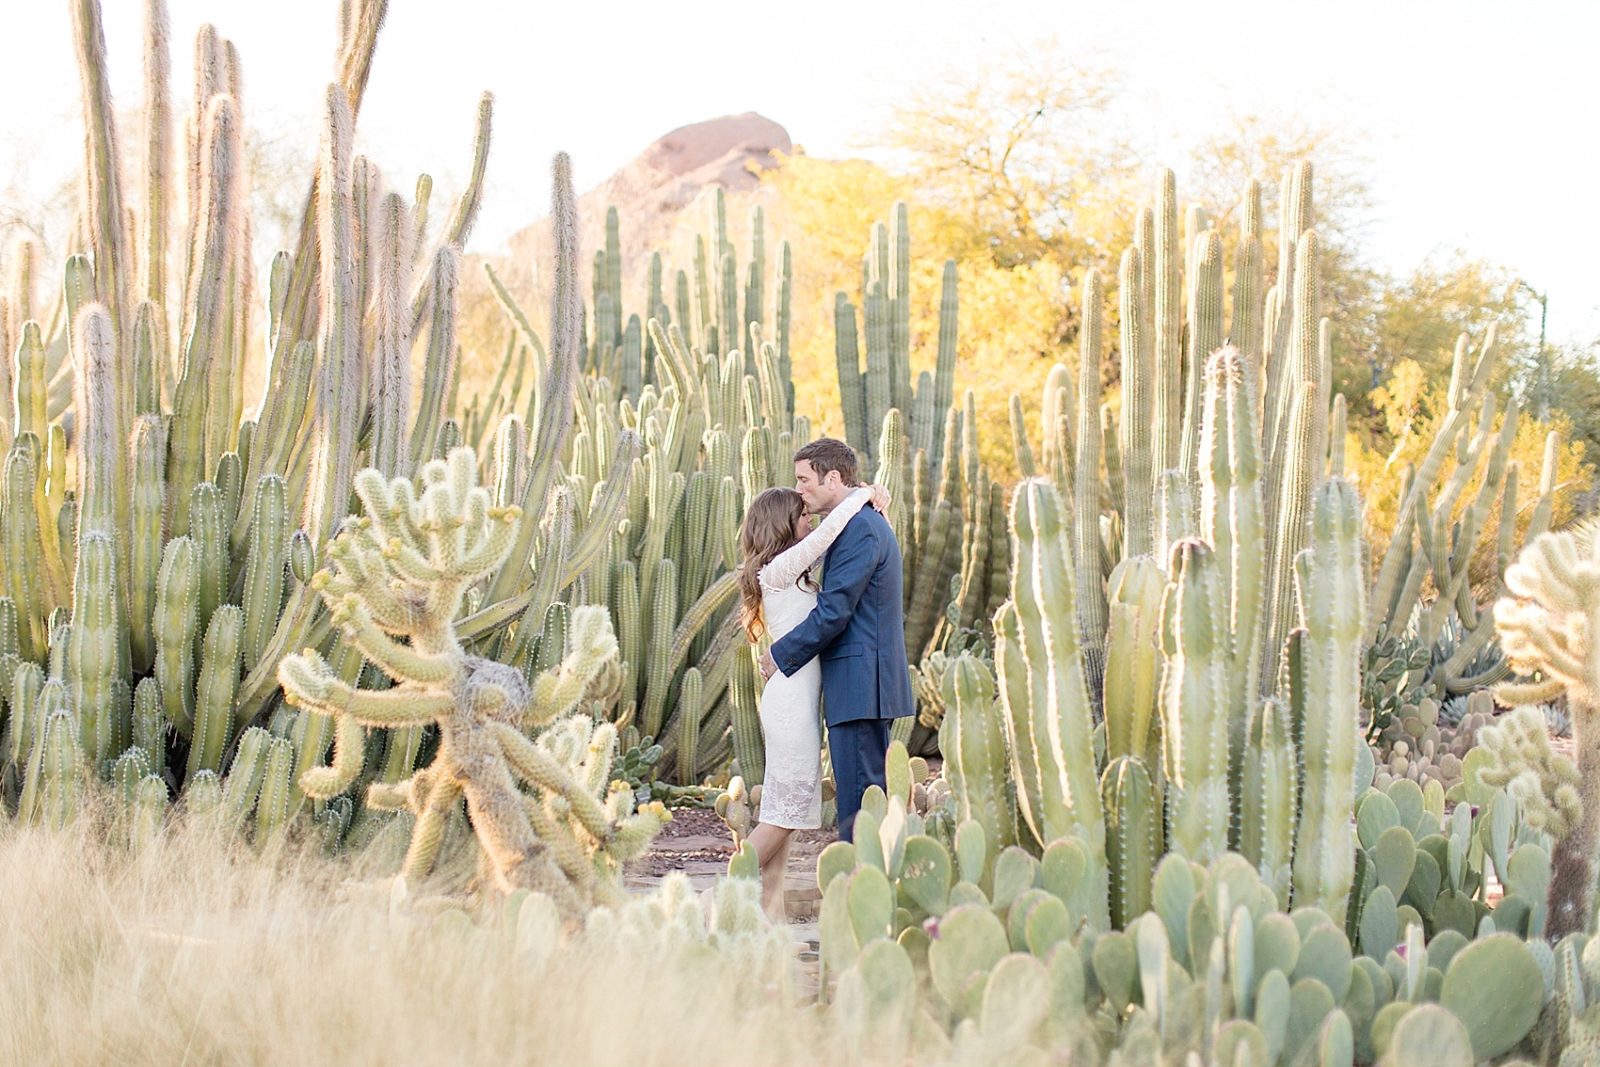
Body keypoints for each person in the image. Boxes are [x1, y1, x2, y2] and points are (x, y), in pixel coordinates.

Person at [736, 475, 889, 920]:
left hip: (795, 701)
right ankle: (726, 892)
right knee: (783, 815)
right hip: (788, 705)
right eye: (802, 514)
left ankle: (770, 913)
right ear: (782, 525)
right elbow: (828, 534)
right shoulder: (778, 570)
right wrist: (862, 493)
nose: (810, 517)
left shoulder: (793, 575)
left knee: (785, 810)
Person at [759, 438, 915, 846]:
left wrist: (781, 655)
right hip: (858, 683)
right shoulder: (852, 525)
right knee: (861, 802)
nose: (799, 490)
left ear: (832, 478)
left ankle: (857, 899)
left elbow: (835, 611)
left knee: (860, 808)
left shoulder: (860, 529)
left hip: (863, 684)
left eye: (804, 479)